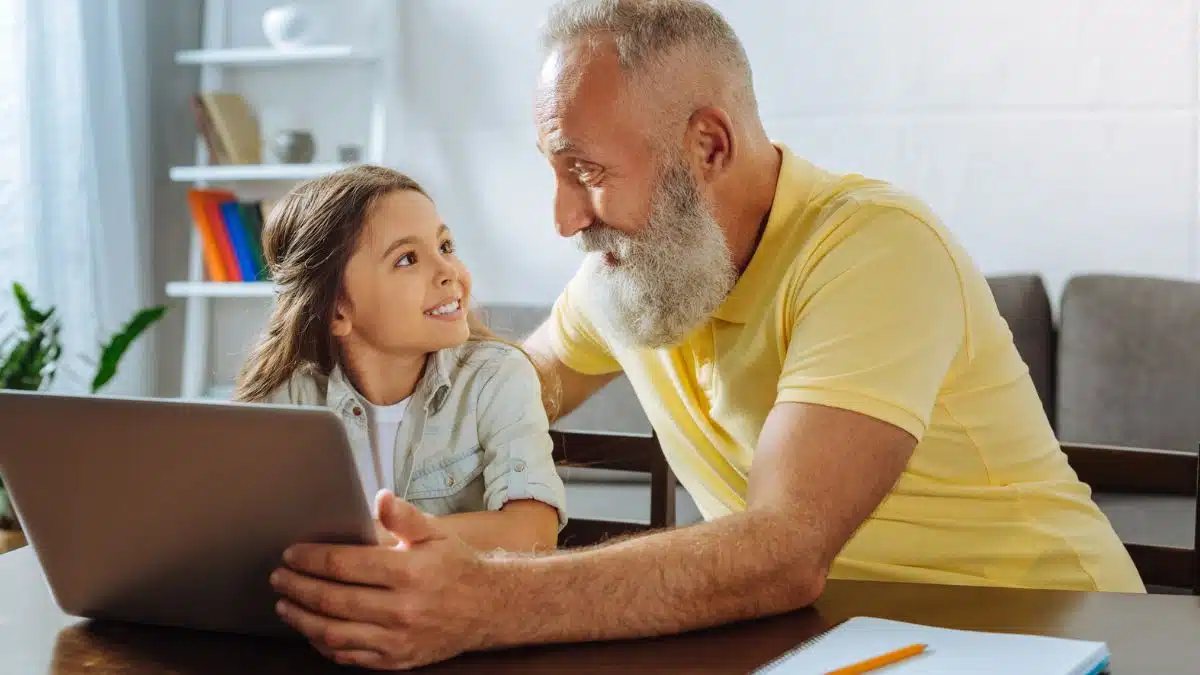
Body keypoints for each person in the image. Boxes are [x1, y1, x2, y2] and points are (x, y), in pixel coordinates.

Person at [268, 0, 1145, 670]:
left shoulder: (874, 249)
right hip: (826, 647)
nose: (566, 217)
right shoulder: (632, 273)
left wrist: (489, 600)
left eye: (587, 172)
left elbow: (783, 550)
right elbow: (497, 394)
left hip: (1043, 633)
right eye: (555, 172)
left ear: (708, 146)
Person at [236, 164, 567, 554]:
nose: (449, 272)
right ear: (337, 310)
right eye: (407, 259)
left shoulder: (496, 378)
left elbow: (532, 533)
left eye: (445, 247)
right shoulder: (290, 398)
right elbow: (249, 535)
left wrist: (379, 540)